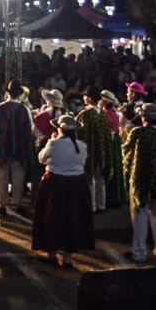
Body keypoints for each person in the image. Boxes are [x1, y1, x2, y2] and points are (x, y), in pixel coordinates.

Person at [121, 101, 156, 263]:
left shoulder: (137, 133)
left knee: (139, 216)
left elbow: (127, 153)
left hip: (141, 180)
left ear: (143, 117)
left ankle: (139, 252)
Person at [32, 112, 92, 266]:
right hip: (77, 184)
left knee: (51, 217)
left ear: (59, 129)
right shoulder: (82, 146)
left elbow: (41, 159)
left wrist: (50, 141)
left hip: (55, 183)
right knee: (72, 218)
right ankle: (68, 258)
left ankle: (51, 254)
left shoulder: (53, 144)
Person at [0, 80, 36, 216]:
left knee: (2, 175)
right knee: (18, 176)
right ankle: (18, 203)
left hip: (2, 148)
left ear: (7, 93)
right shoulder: (24, 110)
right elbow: (29, 129)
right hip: (19, 149)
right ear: (19, 94)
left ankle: (2, 204)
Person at [78, 89, 114, 213]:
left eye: (85, 96)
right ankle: (101, 205)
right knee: (100, 178)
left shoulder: (85, 114)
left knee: (90, 179)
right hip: (102, 150)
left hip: (90, 150)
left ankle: (91, 206)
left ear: (89, 98)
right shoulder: (103, 114)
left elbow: (79, 133)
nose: (83, 98)